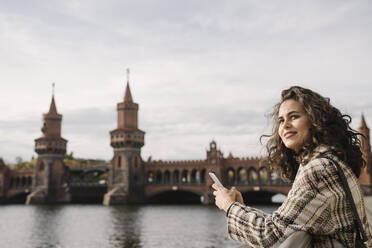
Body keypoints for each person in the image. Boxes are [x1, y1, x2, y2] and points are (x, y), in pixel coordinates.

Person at [212, 86, 372, 247]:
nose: (285, 125)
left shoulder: (319, 169)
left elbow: (271, 235)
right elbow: (285, 223)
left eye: (293, 117)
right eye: (281, 120)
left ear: (316, 120)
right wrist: (241, 208)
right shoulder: (331, 160)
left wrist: (229, 206)